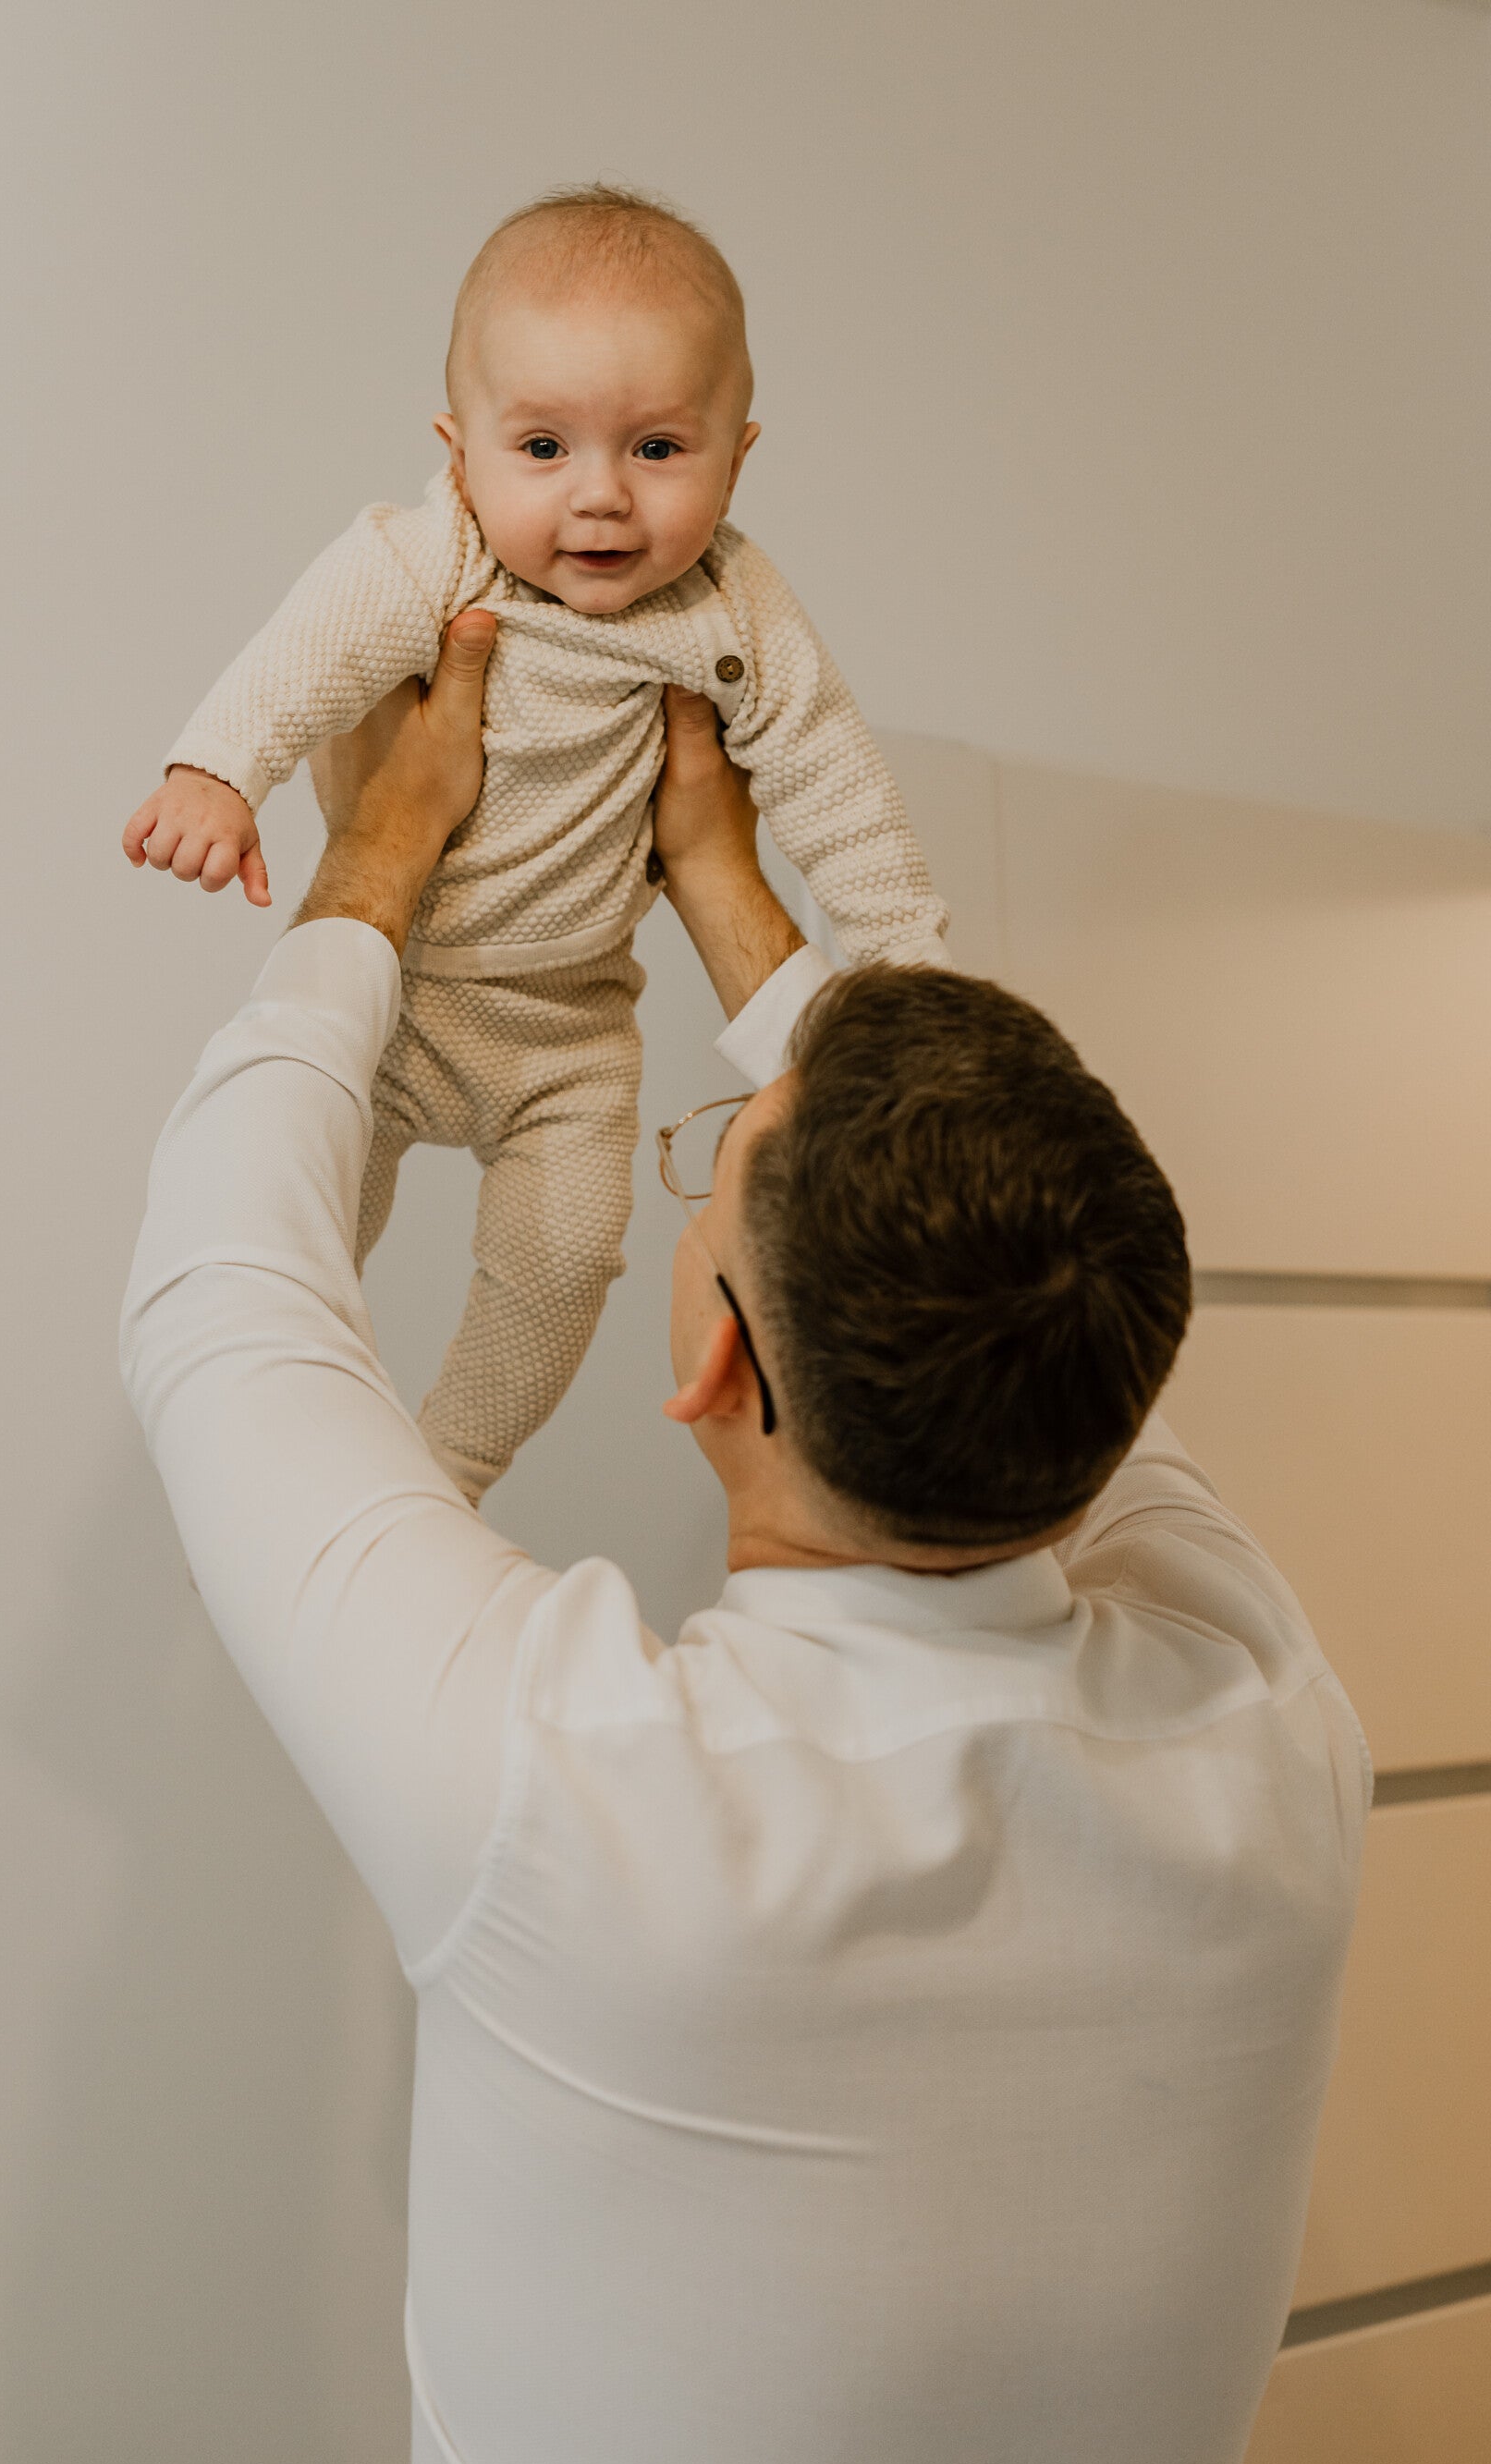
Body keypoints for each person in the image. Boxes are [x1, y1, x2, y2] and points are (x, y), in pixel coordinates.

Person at [119, 614, 1370, 2464]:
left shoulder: (575, 1797)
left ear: (708, 1365)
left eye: (706, 1186)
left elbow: (222, 1290)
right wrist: (721, 878)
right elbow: (1035, 1286)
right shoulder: (1270, 1726)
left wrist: (382, 852)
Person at [120, 184, 946, 1503]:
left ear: (738, 458)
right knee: (300, 1221)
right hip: (404, 997)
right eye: (545, 447)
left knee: (566, 1261)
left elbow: (832, 779)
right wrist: (217, 768)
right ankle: (284, 1447)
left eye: (659, 449)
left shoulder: (733, 605)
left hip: (571, 1029)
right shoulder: (436, 558)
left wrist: (909, 970)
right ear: (460, 454)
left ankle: (452, 1466)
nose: (602, 497)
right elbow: (307, 654)